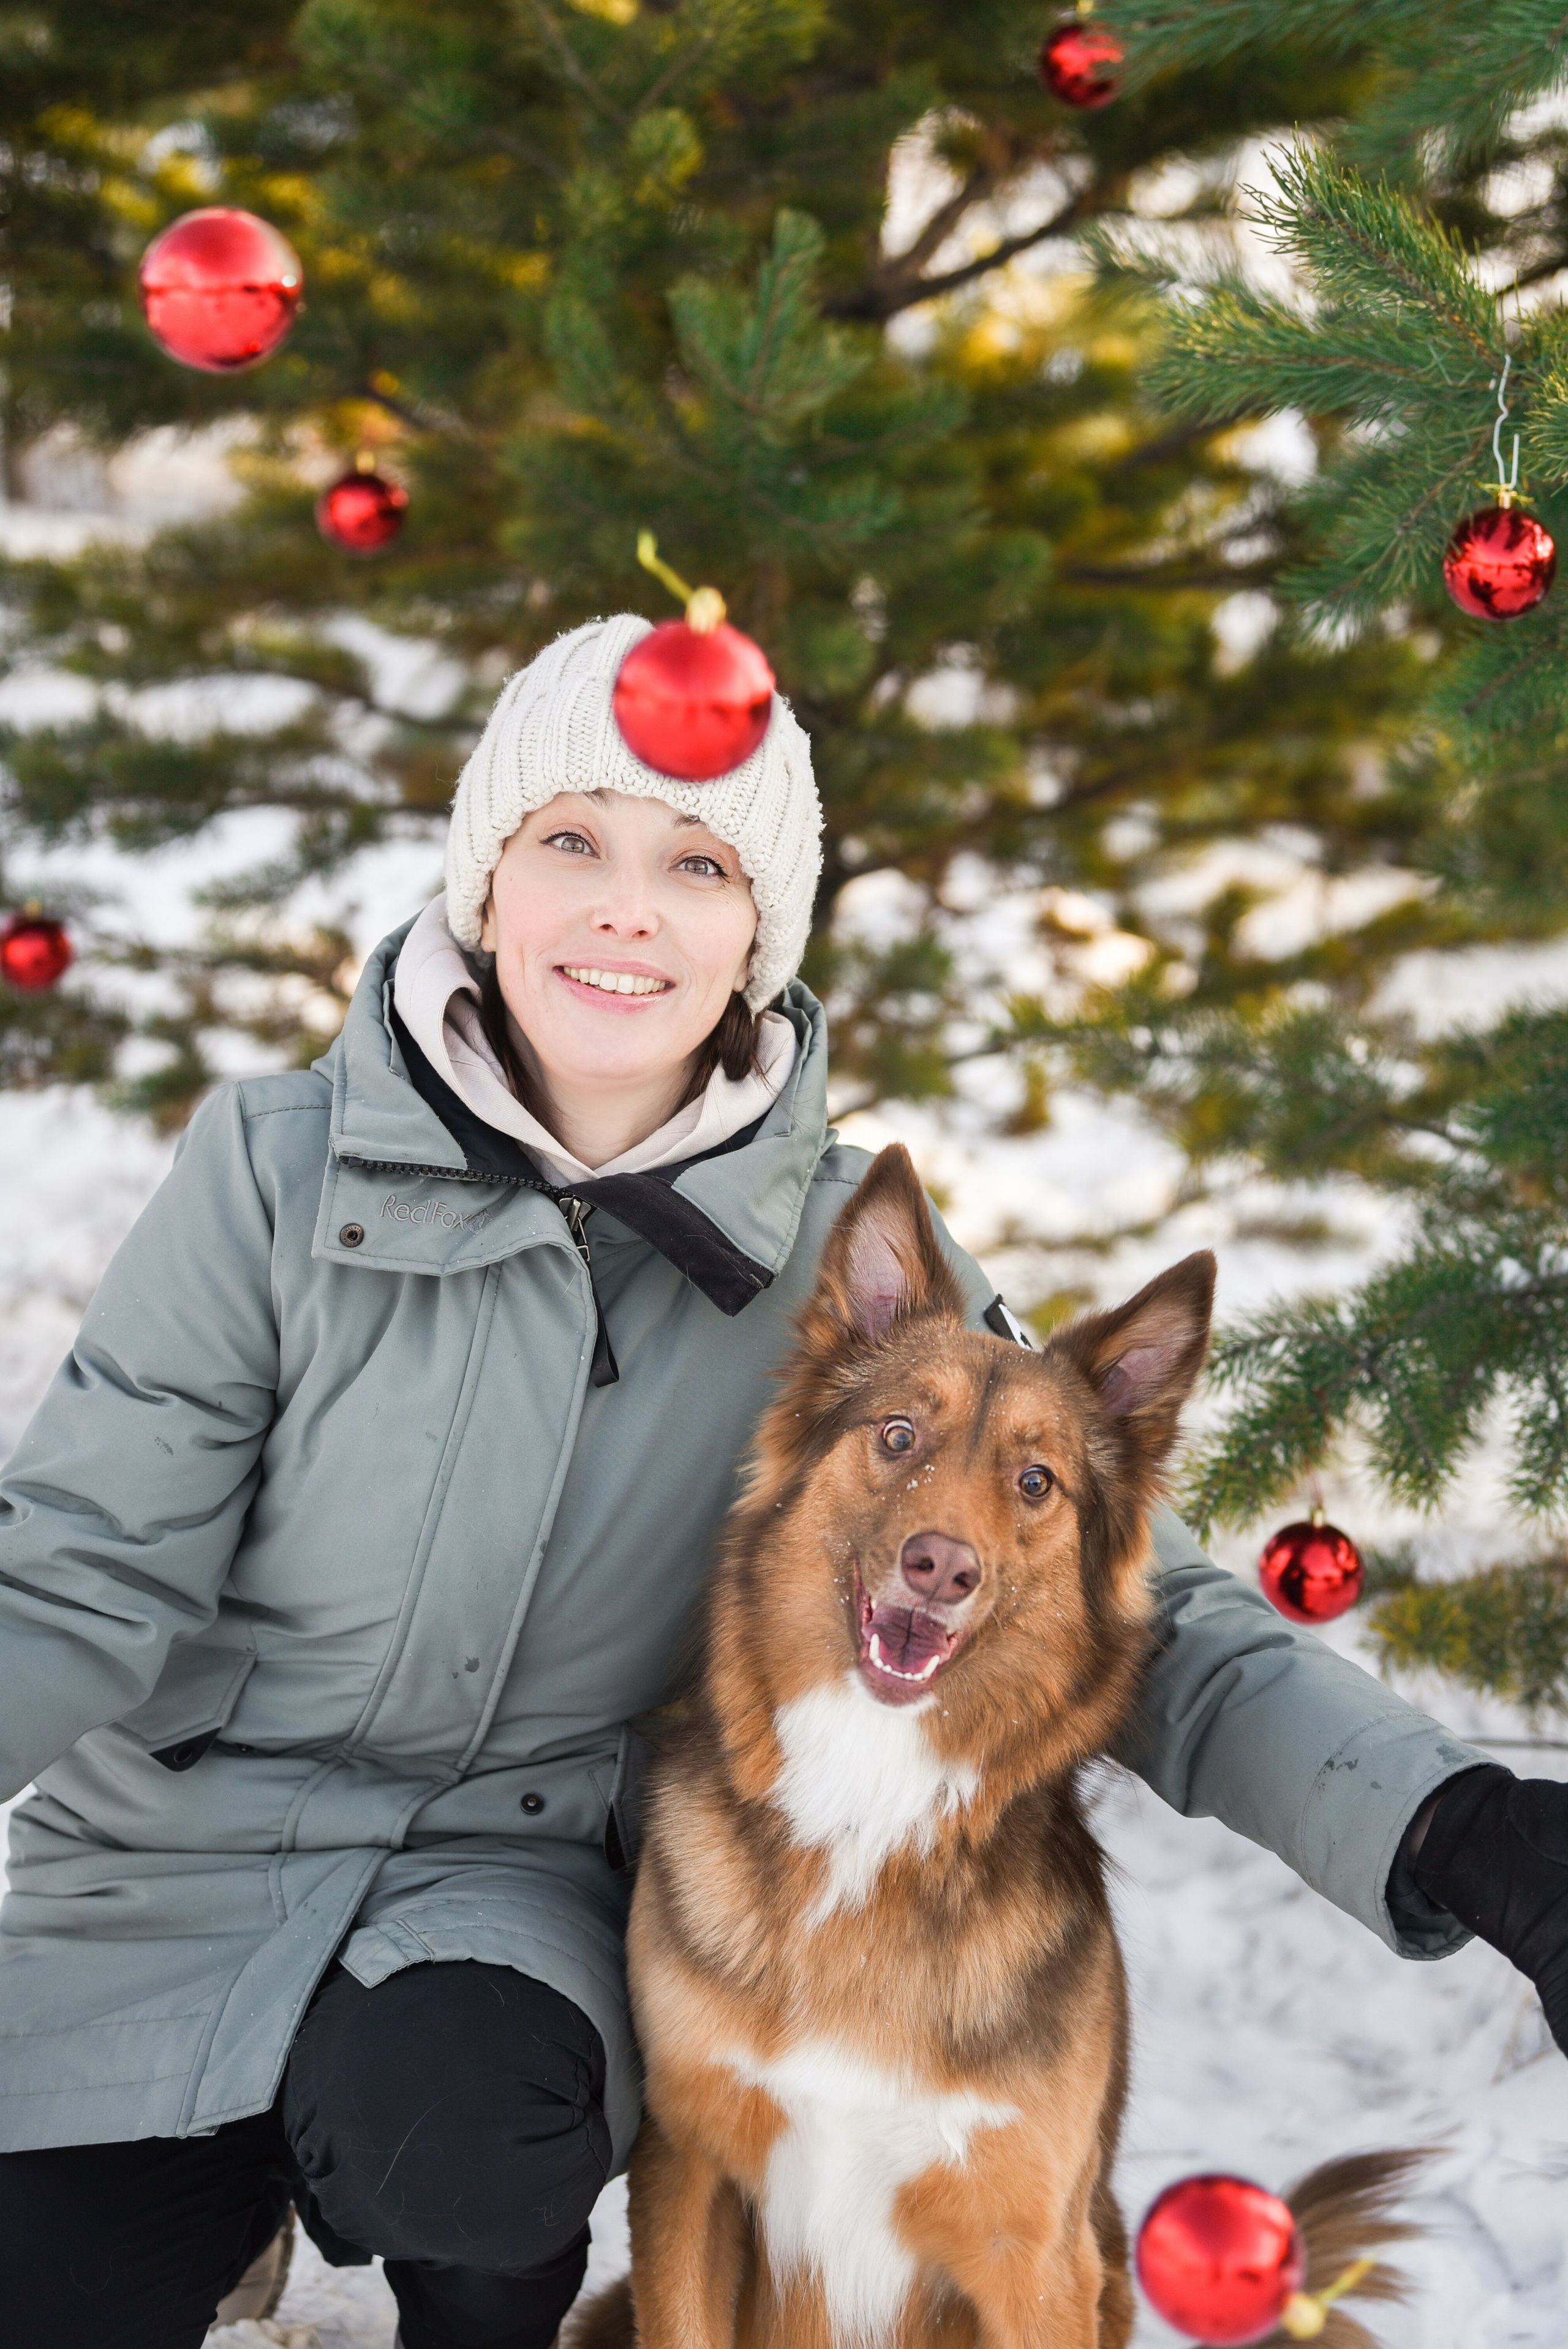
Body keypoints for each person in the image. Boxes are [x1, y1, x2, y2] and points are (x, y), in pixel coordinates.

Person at [0, 614, 1562, 2349]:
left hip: (497, 1905)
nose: (625, 910)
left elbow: (1131, 1587)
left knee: (470, 2134)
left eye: (694, 864)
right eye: (570, 842)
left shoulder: (845, 1259)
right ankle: (211, 2202)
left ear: (758, 928)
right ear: (486, 878)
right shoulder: (272, 1171)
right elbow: (73, 1574)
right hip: (178, 1869)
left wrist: (1459, 1828)